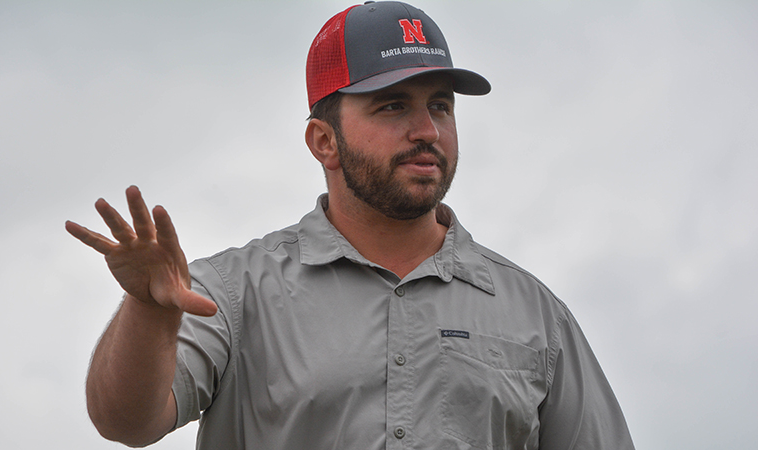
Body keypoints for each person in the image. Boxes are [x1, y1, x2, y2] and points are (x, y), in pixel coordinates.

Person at [66, 2, 635, 449]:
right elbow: (126, 423)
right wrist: (148, 309)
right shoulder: (233, 295)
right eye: (392, 106)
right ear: (324, 141)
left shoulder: (536, 314)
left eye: (440, 105)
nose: (427, 131)